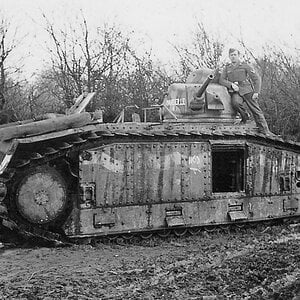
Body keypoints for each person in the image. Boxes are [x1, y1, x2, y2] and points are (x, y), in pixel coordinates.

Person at [219, 48, 272, 136]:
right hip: (236, 91)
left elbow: (256, 78)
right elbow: (222, 80)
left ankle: (265, 130)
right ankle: (245, 117)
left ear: (238, 56)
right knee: (235, 103)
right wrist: (231, 85)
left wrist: (256, 92)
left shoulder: (245, 65)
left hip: (247, 90)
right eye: (231, 55)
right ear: (229, 56)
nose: (233, 57)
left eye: (235, 55)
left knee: (255, 109)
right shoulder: (227, 67)